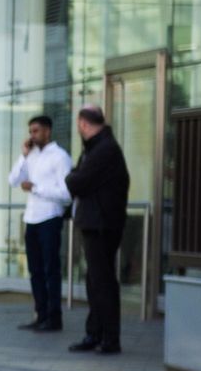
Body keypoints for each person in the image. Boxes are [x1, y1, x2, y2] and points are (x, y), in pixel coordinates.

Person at [64, 106, 130, 356]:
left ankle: (108, 338)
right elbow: (78, 179)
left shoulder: (104, 150)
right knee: (95, 280)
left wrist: (75, 177)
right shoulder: (99, 148)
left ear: (82, 124)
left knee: (102, 282)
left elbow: (75, 181)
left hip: (101, 224)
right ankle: (95, 333)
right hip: (98, 222)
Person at [8, 115, 73, 333]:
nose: (32, 136)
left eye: (36, 131)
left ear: (47, 131)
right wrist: (23, 155)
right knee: (35, 270)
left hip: (50, 218)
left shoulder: (60, 157)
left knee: (50, 270)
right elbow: (13, 180)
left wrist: (36, 188)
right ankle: (40, 314)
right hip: (31, 218)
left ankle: (54, 318)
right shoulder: (31, 155)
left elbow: (66, 194)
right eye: (30, 132)